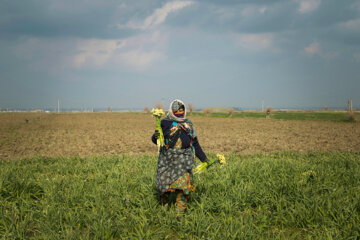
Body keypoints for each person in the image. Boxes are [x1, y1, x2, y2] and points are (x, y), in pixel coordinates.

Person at [151, 99, 208, 215]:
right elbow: (156, 139)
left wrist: (204, 159)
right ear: (171, 110)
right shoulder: (165, 123)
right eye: (176, 110)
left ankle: (179, 214)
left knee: (183, 189)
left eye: (181, 110)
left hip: (184, 161)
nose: (179, 112)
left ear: (184, 110)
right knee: (165, 187)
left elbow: (195, 143)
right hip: (167, 160)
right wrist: (155, 136)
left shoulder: (188, 125)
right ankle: (163, 209)